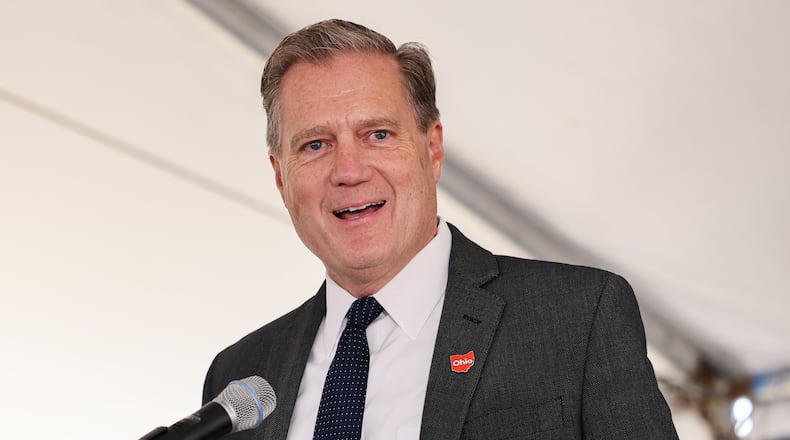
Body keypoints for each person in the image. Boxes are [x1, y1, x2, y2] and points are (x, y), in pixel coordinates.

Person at [203, 19, 679, 439]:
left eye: (378, 135)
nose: (348, 170)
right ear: (280, 176)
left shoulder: (577, 317)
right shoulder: (240, 375)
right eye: (315, 145)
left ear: (432, 148)